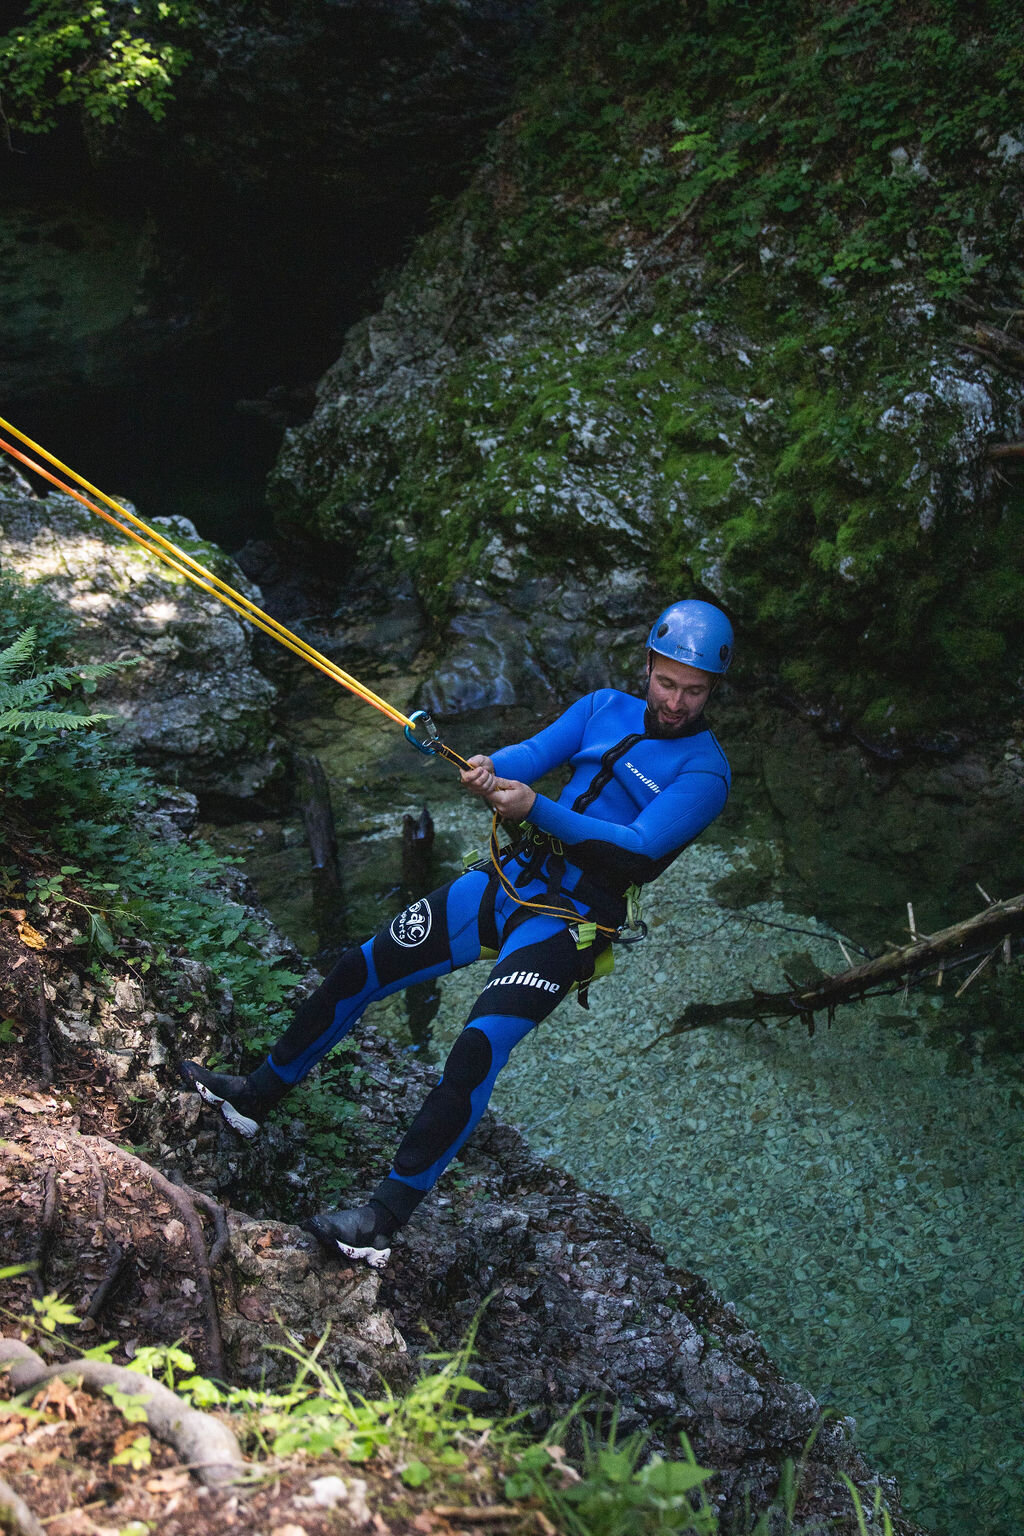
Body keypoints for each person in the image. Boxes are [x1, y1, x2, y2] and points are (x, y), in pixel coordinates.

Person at [180, 599, 733, 1266]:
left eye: (693, 691)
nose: (676, 701)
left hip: (569, 925)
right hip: (507, 879)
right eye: (667, 682)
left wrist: (536, 806)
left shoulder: (706, 772)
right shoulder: (600, 708)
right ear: (647, 666)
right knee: (363, 967)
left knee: (475, 1047)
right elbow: (531, 754)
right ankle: (255, 1096)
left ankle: (382, 1220)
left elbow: (636, 850)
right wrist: (485, 765)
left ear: (712, 692)